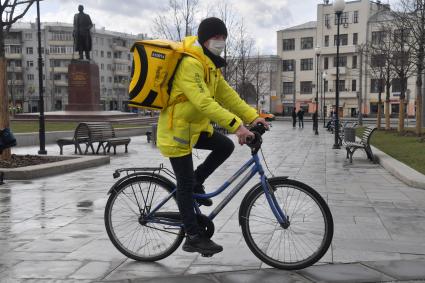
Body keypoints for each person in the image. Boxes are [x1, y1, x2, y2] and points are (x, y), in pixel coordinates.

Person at [156, 17, 268, 256]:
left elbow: (228, 96)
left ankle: (198, 181)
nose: (221, 42)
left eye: (223, 38)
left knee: (224, 146)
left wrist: (253, 117)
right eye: (216, 38)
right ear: (205, 39)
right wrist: (238, 127)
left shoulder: (210, 66)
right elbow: (204, 102)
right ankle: (193, 236)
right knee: (184, 184)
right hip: (177, 130)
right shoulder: (190, 63)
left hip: (193, 128)